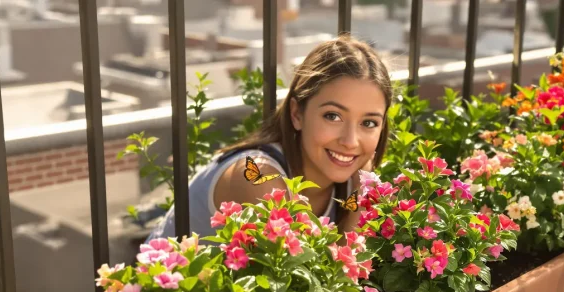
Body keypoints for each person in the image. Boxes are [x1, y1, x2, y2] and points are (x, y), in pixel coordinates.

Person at [148, 36, 393, 241]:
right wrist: (363, 196)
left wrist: (363, 189)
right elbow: (324, 283)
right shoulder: (257, 176)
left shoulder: (350, 182)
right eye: (333, 116)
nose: (351, 141)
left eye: (369, 123)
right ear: (297, 113)